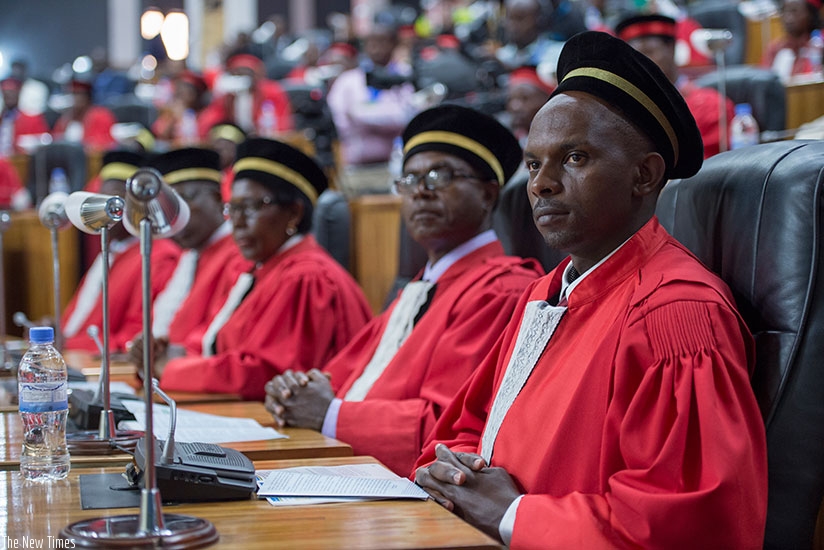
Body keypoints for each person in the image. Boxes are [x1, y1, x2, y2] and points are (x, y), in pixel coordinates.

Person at [413, 30, 767, 548]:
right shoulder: (543, 294)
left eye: (574, 158)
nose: (541, 183)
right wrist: (454, 475)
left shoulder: (676, 315)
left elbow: (689, 525)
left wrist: (511, 513)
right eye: (534, 164)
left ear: (644, 176)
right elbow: (465, 428)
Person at [263, 105, 544, 475]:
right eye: (409, 180)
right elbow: (337, 380)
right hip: (351, 466)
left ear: (489, 194)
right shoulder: (417, 287)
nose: (421, 192)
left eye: (439, 176)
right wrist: (294, 392)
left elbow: (449, 431)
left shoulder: (502, 290)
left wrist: (329, 413)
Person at [157, 138, 372, 400]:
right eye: (233, 208)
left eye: (250, 207)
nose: (237, 222)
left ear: (293, 213)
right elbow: (222, 347)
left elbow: (264, 376)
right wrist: (170, 356)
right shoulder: (263, 270)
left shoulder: (305, 277)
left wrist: (172, 369)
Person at [126, 147, 251, 372]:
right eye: (167, 207)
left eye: (183, 202)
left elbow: (216, 341)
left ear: (216, 198)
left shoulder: (240, 255)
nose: (175, 217)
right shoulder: (193, 254)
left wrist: (168, 358)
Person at [62, 150, 181, 353]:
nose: (103, 210)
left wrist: (69, 344)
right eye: (99, 199)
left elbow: (133, 337)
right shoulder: (111, 252)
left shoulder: (157, 257)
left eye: (113, 201)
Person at [615, 13, 734, 158]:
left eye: (648, 53)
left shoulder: (711, 106)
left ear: (672, 48)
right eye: (634, 59)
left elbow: (710, 171)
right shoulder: (621, 113)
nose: (641, 65)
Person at [326, 24, 418, 166]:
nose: (376, 48)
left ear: (394, 44)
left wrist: (363, 115)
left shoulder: (405, 75)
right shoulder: (349, 80)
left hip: (397, 161)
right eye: (371, 42)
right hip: (356, 162)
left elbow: (406, 115)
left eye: (382, 42)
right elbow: (340, 119)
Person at [202, 54, 294, 137]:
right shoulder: (228, 96)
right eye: (237, 74)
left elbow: (280, 121)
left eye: (245, 73)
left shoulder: (271, 91)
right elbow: (209, 120)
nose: (241, 77)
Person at [761, 0, 823, 82]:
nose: (788, 18)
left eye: (795, 11)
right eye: (784, 12)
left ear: (810, 14)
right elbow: (762, 83)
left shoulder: (819, 45)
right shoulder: (775, 48)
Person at [52, 78, 117, 150]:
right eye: (72, 94)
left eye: (78, 94)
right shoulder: (64, 119)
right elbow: (56, 142)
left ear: (87, 97)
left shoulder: (101, 115)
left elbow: (104, 143)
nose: (74, 99)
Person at [0, 77, 50, 155]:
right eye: (5, 93)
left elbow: (43, 146)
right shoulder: (2, 119)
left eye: (12, 92)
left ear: (19, 93)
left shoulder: (33, 120)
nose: (9, 96)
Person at [207, 121, 246, 201]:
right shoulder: (209, 174)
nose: (220, 149)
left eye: (226, 146)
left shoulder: (240, 175)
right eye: (216, 146)